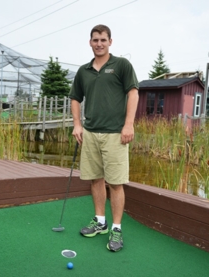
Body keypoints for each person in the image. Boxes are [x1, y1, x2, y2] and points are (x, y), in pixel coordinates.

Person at [69, 24, 139, 252]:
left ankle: (116, 229)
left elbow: (133, 93)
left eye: (103, 40)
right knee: (95, 179)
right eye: (95, 40)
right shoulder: (83, 71)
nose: (99, 43)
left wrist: (128, 124)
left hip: (116, 135)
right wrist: (77, 125)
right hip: (90, 134)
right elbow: (75, 98)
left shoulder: (121, 65)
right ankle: (100, 222)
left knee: (116, 183)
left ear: (110, 41)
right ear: (90, 42)